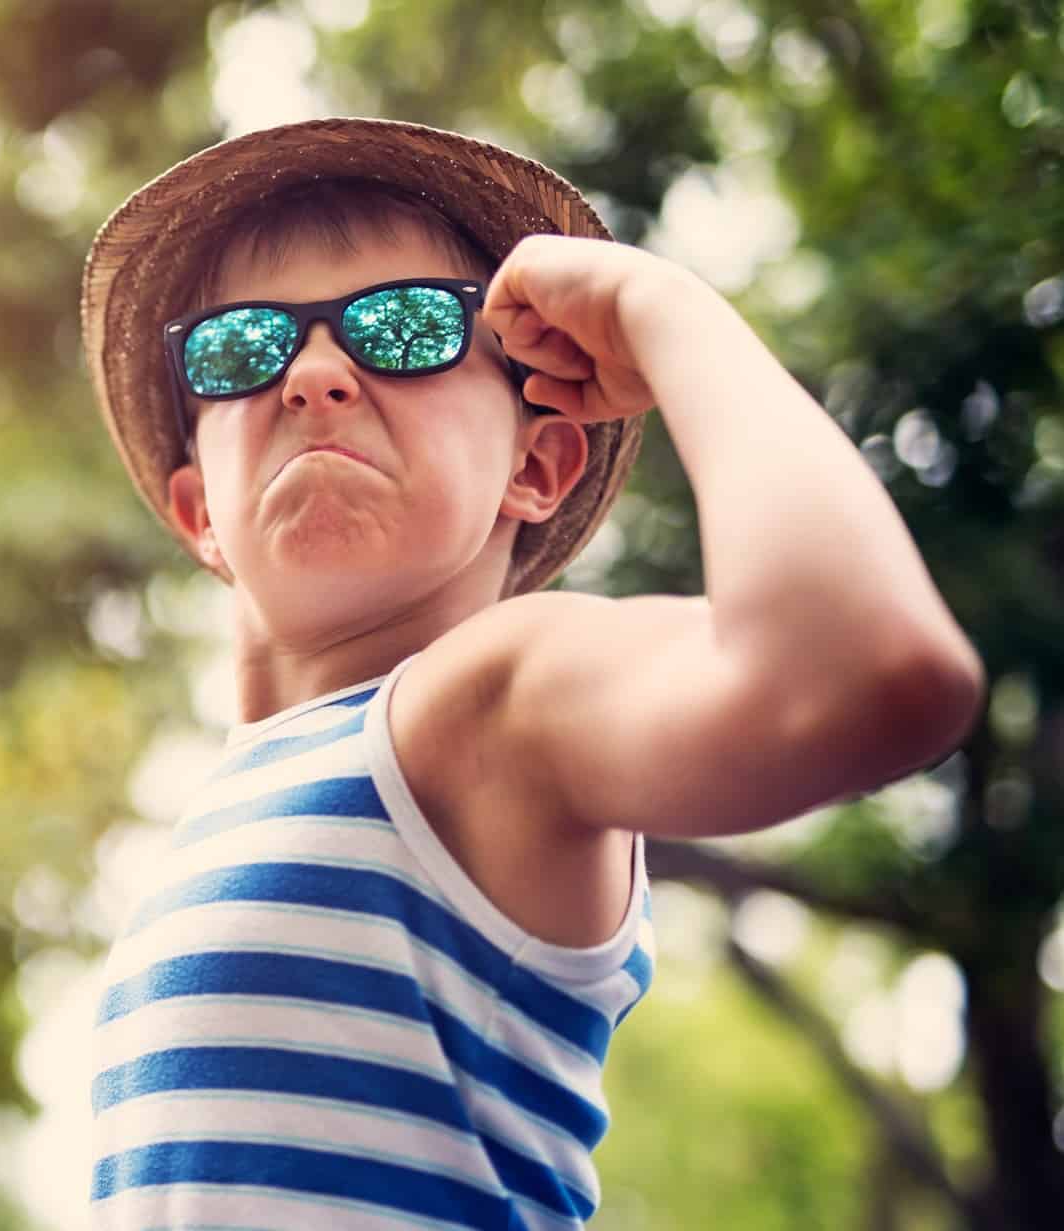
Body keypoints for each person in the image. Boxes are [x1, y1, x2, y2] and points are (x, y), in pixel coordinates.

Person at [76, 117, 986, 1230]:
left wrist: (668, 313)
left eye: (403, 327)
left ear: (538, 462)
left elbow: (869, 671)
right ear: (198, 512)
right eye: (241, 347)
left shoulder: (478, 705)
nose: (312, 373)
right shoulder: (218, 817)